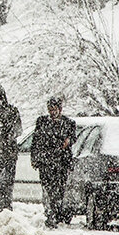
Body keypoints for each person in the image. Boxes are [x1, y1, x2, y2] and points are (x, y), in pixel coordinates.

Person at [31, 96, 76, 228]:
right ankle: (51, 213)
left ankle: (57, 214)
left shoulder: (69, 123)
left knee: (59, 189)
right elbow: (36, 141)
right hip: (46, 161)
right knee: (48, 189)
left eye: (54, 109)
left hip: (61, 162)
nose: (52, 112)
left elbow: (72, 138)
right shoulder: (42, 122)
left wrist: (67, 142)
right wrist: (35, 158)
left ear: (60, 109)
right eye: (50, 109)